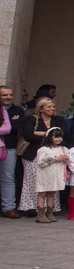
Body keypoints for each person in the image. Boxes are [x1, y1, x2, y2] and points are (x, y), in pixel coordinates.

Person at [19, 98, 66, 215]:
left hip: (54, 155)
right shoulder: (31, 119)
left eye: (53, 107)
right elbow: (28, 135)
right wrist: (49, 135)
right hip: (33, 155)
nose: (52, 109)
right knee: (33, 181)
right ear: (41, 108)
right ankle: (31, 207)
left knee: (51, 180)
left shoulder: (58, 120)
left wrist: (40, 133)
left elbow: (62, 134)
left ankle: (50, 208)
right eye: (48, 107)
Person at [34, 127, 69, 223]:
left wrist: (66, 158)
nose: (58, 139)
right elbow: (40, 163)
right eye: (56, 137)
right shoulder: (43, 149)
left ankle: (50, 213)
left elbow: (69, 162)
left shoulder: (63, 149)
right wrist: (54, 158)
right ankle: (40, 214)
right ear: (49, 137)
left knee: (52, 193)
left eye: (60, 137)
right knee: (42, 193)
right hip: (45, 174)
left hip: (56, 175)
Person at [0, 86, 24, 219]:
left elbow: (17, 125)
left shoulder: (18, 109)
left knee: (8, 178)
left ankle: (8, 207)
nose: (8, 97)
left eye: (10, 94)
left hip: (9, 147)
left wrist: (8, 126)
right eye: (4, 95)